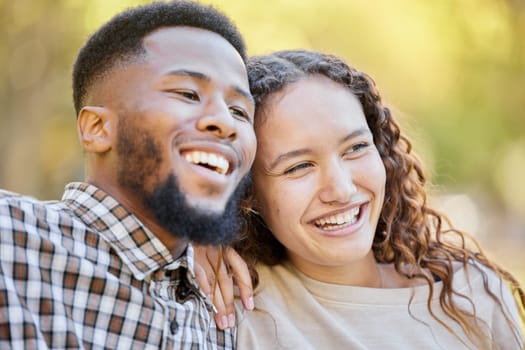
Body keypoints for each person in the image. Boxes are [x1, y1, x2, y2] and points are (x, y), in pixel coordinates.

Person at [196, 50, 524, 349]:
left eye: (355, 148)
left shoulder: (470, 294)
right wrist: (190, 238)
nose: (340, 189)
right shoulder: (232, 310)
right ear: (245, 193)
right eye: (298, 167)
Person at [0, 1, 256, 348]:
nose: (225, 122)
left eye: (240, 111)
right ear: (98, 128)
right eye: (187, 93)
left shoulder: (233, 308)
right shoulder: (11, 240)